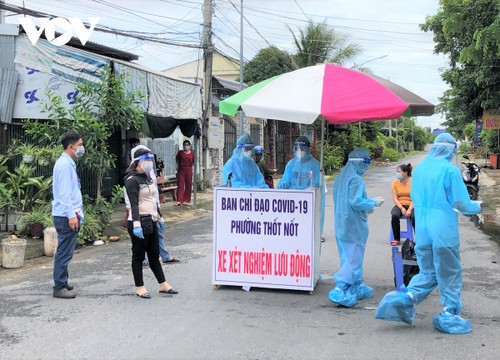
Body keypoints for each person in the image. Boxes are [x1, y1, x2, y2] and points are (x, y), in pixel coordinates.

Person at [375, 133, 482, 334]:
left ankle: (403, 299)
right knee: (449, 273)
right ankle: (450, 314)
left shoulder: (421, 169)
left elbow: (415, 196)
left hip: (423, 231)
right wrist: (477, 207)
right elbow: (461, 203)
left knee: (428, 272)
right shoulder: (450, 170)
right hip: (443, 231)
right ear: (451, 149)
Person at [328, 148, 384, 307]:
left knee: (347, 256)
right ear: (358, 161)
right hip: (353, 226)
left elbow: (345, 200)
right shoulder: (356, 180)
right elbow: (355, 201)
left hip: (341, 223)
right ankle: (341, 289)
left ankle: (356, 285)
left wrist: (367, 204)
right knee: (353, 257)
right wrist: (372, 202)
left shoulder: (340, 177)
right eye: (366, 162)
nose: (367, 166)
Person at [124, 148, 178, 299]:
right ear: (138, 161)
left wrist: (160, 217)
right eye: (146, 160)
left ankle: (163, 284)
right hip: (139, 221)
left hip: (152, 219)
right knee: (138, 256)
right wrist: (136, 223)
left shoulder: (147, 178)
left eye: (150, 160)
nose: (149, 163)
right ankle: (139, 287)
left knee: (154, 254)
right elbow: (133, 204)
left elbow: (154, 199)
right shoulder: (131, 180)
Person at [51, 131, 85, 299]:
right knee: (64, 252)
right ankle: (58, 286)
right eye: (80, 145)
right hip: (66, 216)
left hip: (68, 214)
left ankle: (63, 282)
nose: (82, 148)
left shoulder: (68, 162)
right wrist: (71, 216)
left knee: (66, 251)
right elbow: (64, 194)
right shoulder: (64, 165)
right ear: (71, 147)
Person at [390, 163, 415, 246]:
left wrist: (410, 209)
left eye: (399, 172)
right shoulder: (395, 183)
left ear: (406, 173)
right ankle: (396, 238)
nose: (397, 173)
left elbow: (416, 198)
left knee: (414, 217)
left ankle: (419, 239)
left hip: (412, 204)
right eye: (396, 171)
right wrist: (401, 208)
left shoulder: (414, 182)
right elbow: (395, 198)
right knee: (394, 215)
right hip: (400, 204)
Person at [175, 139, 195, 206]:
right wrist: (178, 167)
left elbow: (193, 162)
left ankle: (186, 199)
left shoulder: (192, 153)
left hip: (189, 169)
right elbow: (177, 160)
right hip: (181, 169)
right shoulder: (180, 153)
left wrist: (192, 169)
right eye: (185, 145)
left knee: (188, 184)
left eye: (187, 145)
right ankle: (179, 200)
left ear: (189, 146)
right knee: (180, 184)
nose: (186, 146)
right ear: (183, 146)